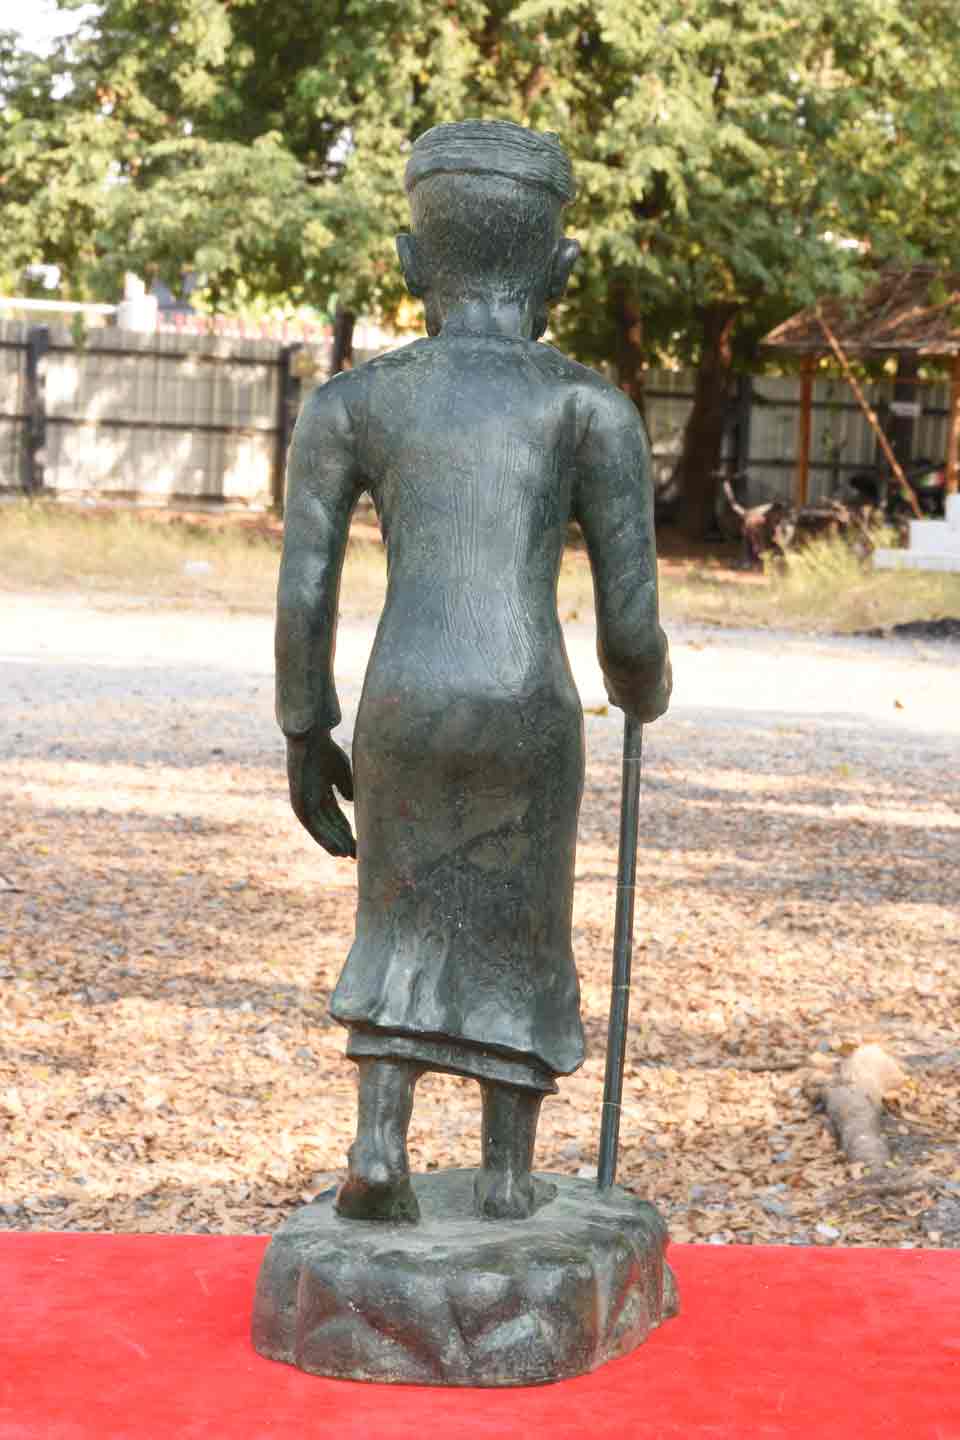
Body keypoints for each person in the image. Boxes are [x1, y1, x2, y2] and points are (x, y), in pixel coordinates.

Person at [275, 120, 671, 1225]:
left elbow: (304, 595)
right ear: (562, 268)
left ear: (411, 264)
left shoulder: (354, 402)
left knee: (397, 910)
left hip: (405, 698)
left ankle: (379, 1141)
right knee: (522, 921)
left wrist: (307, 728)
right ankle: (506, 1175)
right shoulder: (590, 407)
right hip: (528, 703)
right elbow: (631, 626)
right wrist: (644, 686)